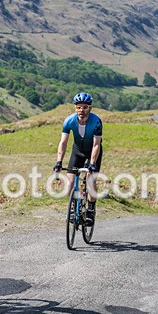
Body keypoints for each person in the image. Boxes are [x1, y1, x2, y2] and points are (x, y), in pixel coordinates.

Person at [53, 92, 103, 226]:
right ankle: (75, 208)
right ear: (75, 108)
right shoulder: (69, 121)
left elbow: (96, 144)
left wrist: (92, 164)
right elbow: (63, 143)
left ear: (90, 108)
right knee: (69, 183)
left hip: (93, 151)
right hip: (78, 152)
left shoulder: (96, 121)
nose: (82, 110)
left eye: (85, 107)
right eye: (79, 107)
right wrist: (59, 162)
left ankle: (91, 210)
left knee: (90, 178)